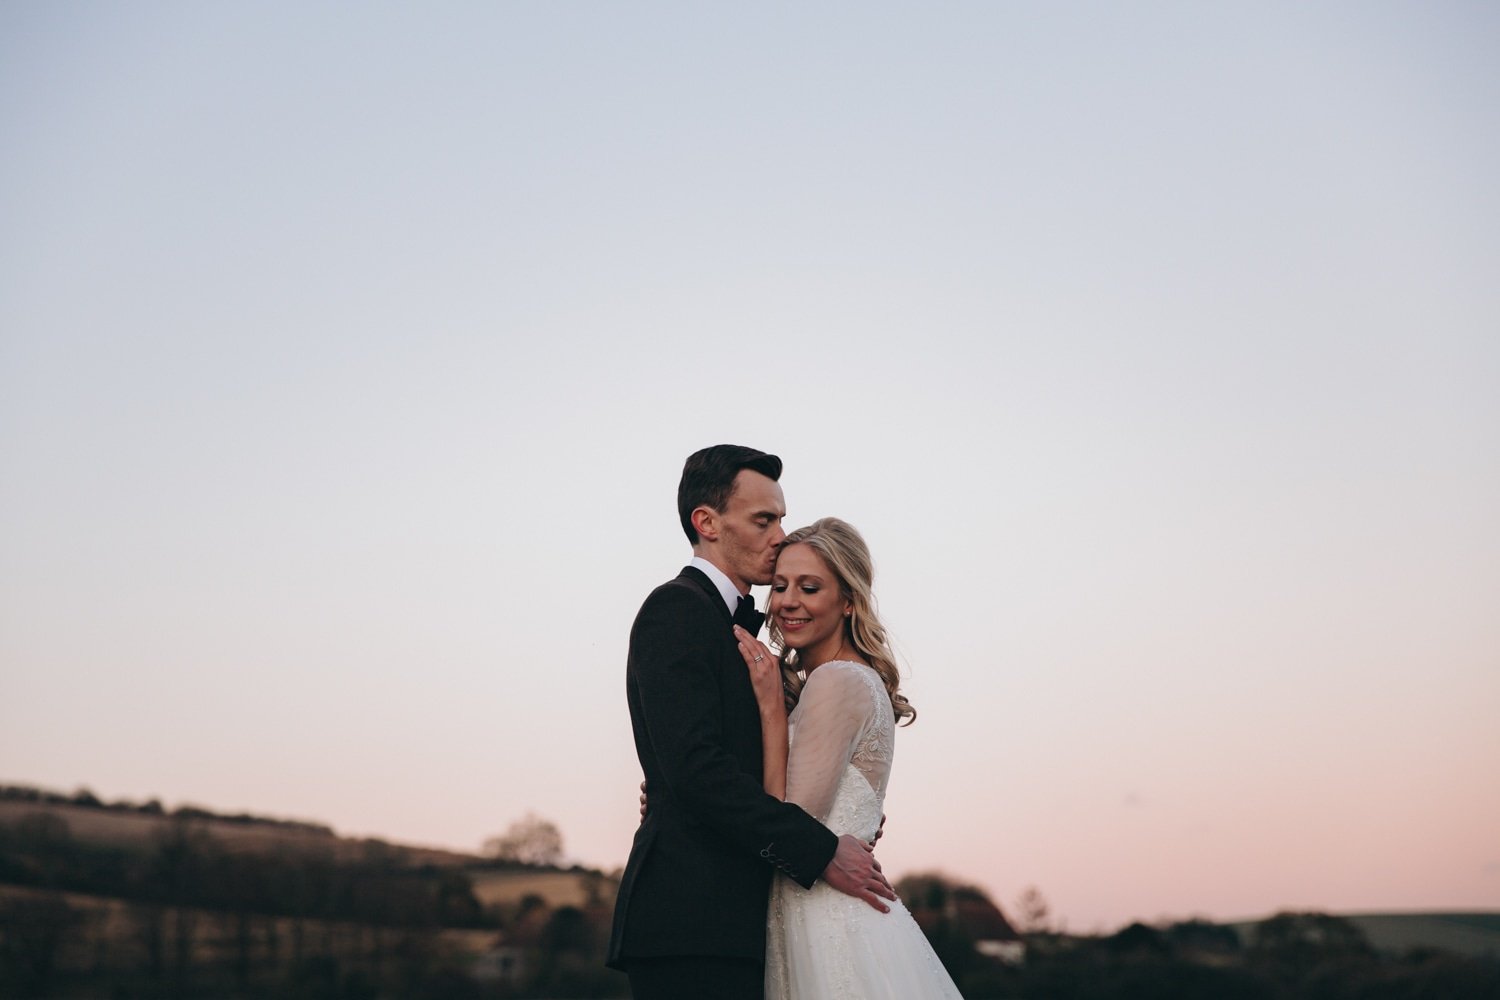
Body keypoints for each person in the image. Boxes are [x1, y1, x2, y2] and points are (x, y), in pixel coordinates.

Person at [607, 446, 896, 1000]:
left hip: (742, 924)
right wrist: (821, 847)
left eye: (781, 519)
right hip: (693, 922)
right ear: (707, 522)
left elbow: (724, 766)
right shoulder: (676, 609)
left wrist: (843, 810)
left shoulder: (744, 636)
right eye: (765, 520)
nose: (779, 536)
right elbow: (695, 772)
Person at [733, 517, 965, 999]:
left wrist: (771, 708)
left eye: (809, 587)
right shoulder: (844, 680)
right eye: (780, 586)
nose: (787, 601)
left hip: (826, 919)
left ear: (848, 601)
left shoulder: (836, 680)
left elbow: (793, 820)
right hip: (818, 907)